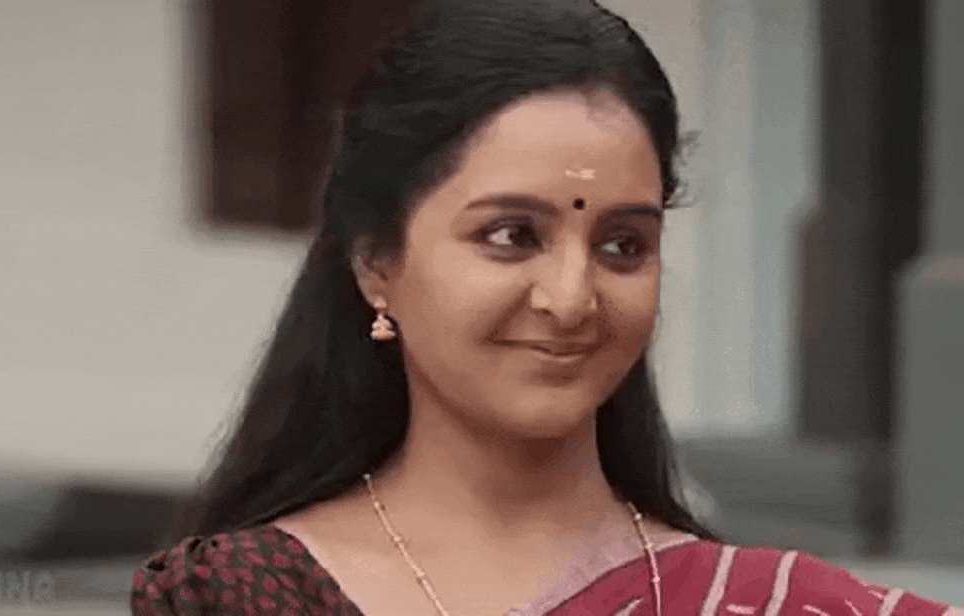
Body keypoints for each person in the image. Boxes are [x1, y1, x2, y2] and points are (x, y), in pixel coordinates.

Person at [130, 1, 963, 614]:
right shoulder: (245, 597)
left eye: (623, 245)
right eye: (510, 236)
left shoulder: (766, 605)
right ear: (376, 262)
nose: (571, 299)